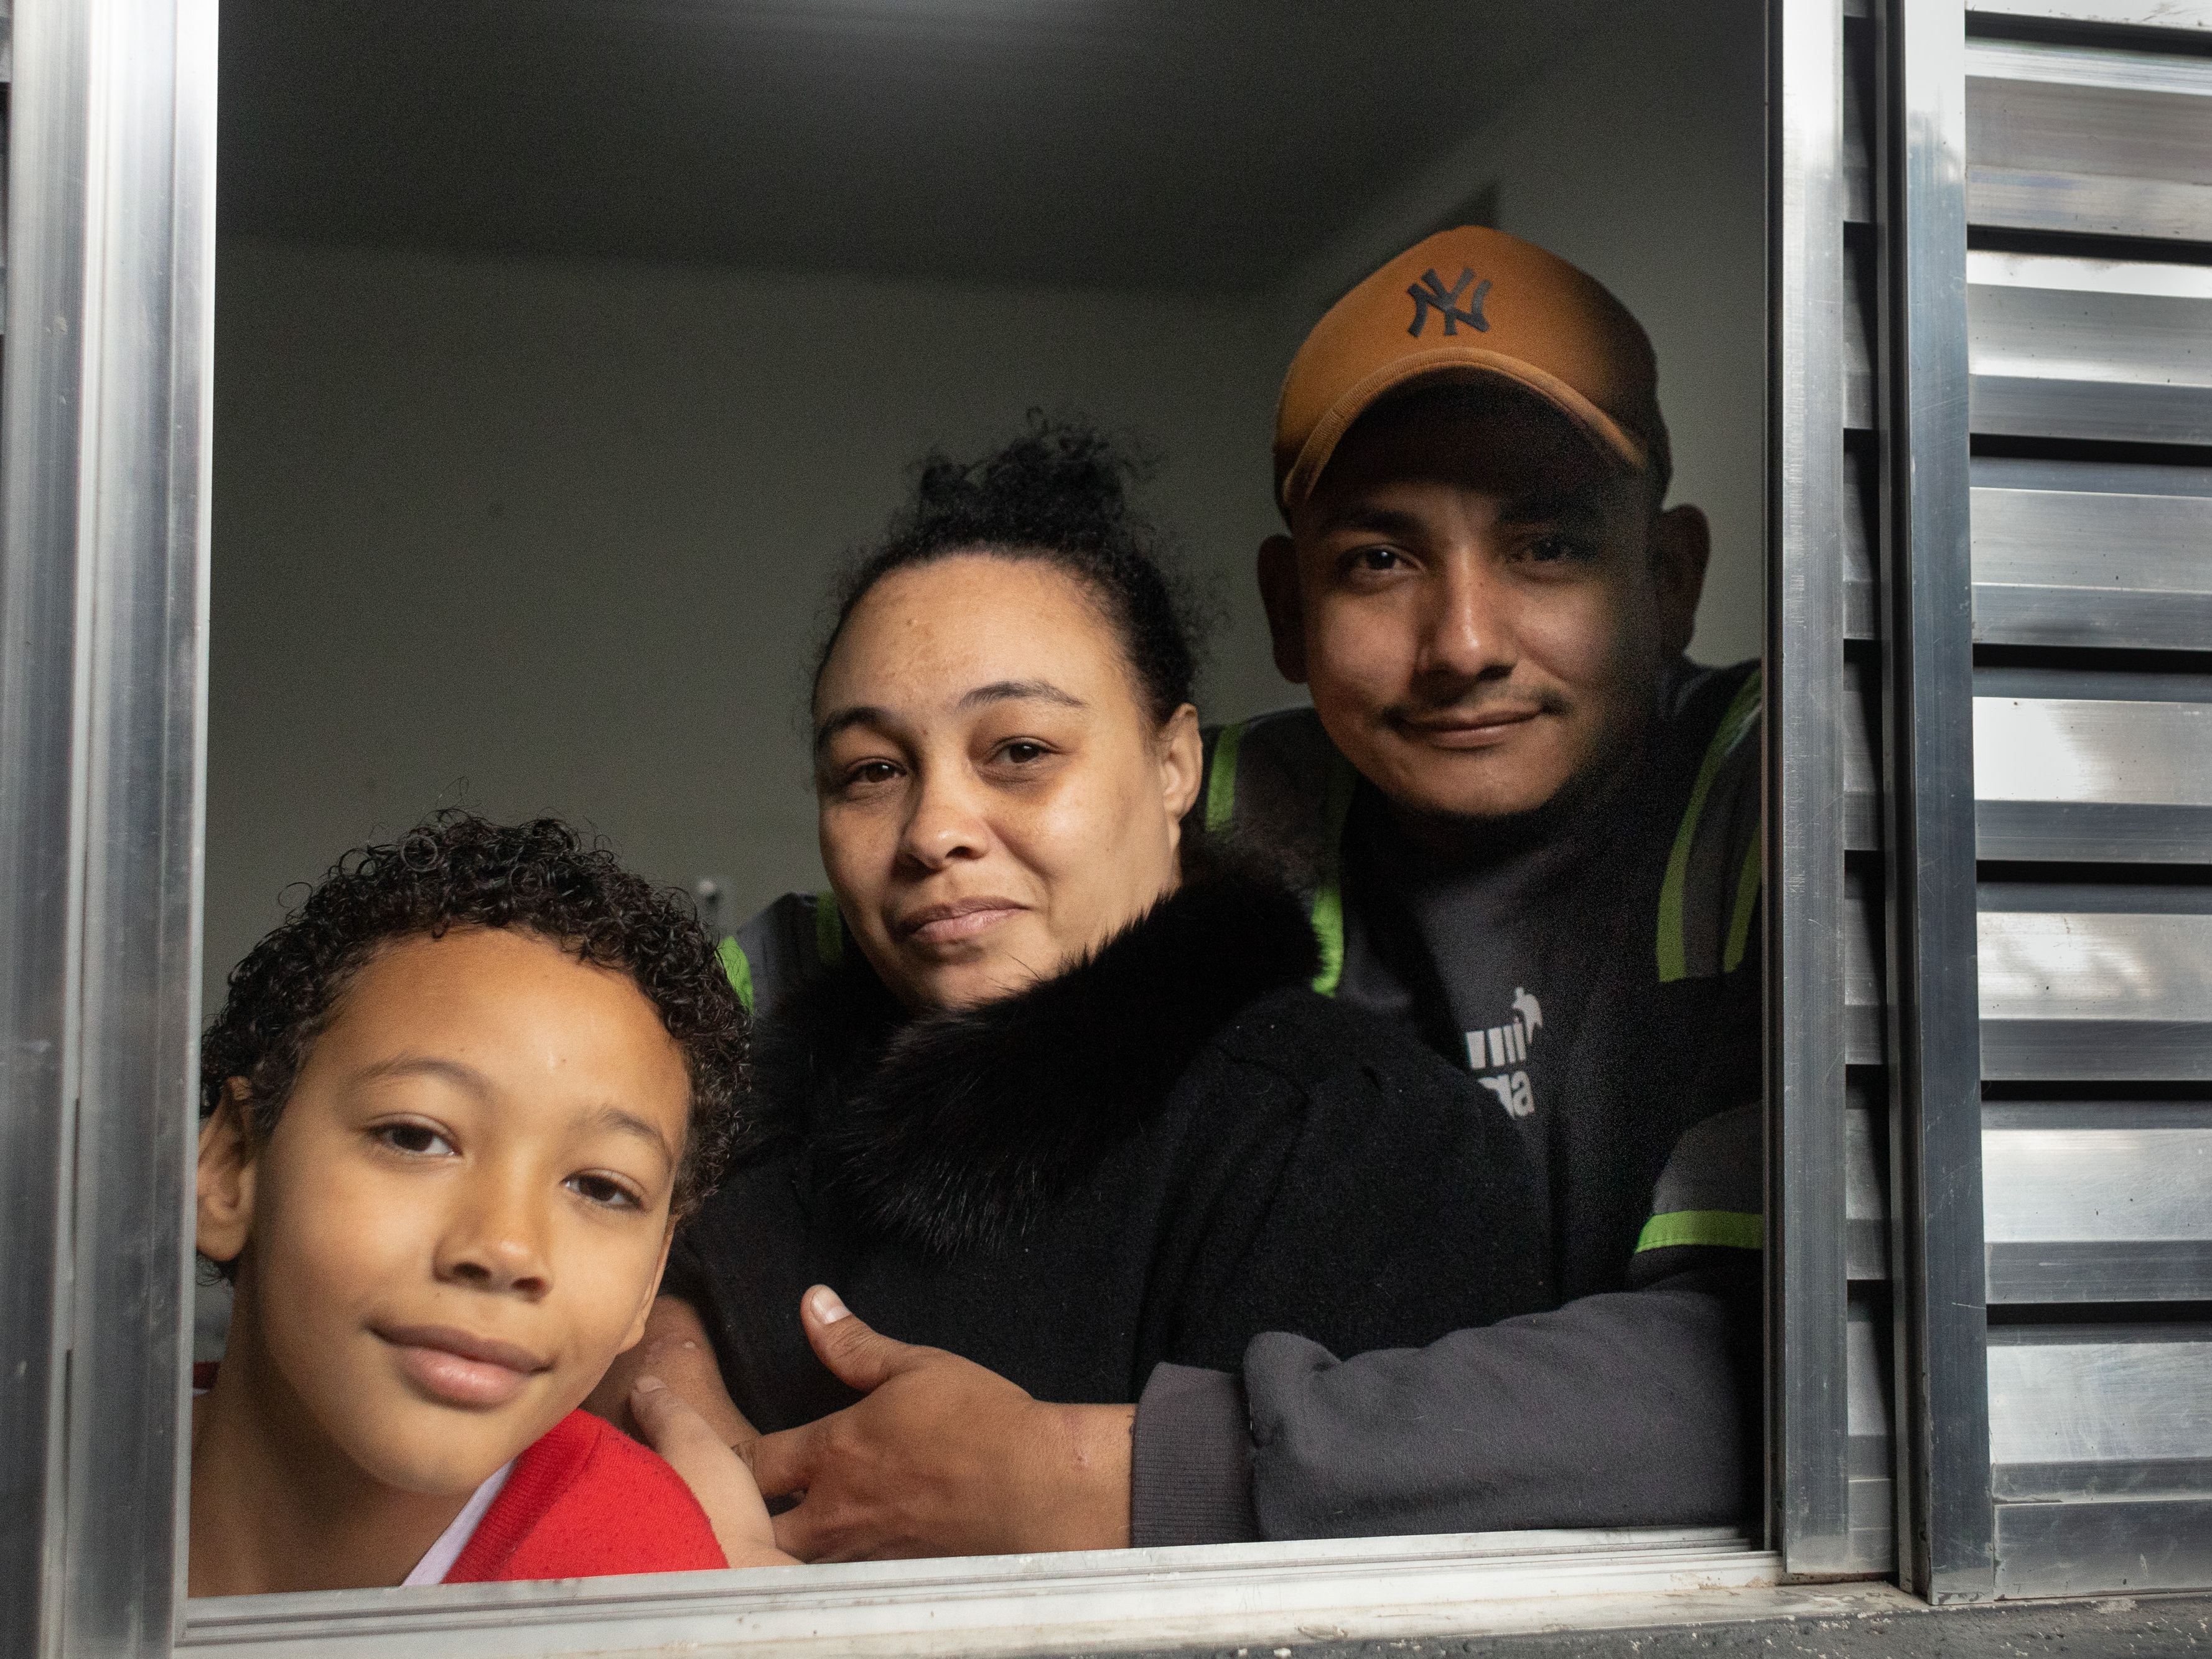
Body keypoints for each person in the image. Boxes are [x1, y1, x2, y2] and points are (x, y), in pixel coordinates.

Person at [650, 226, 1764, 1559]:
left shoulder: (1795, 811)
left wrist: (1097, 1473)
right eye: (1378, 561)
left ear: (1672, 576)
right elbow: (666, 1049)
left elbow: (1797, 1387)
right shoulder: (1211, 795)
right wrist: (663, 1363)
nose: (1462, 643)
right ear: (1286, 614)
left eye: (1546, 548)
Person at [587, 421, 1553, 1540]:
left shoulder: (1361, 1142)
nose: (936, 829)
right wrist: (657, 1366)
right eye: (871, 771)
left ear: (1175, 761)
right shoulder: (741, 1119)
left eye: (1020, 751)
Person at [189, 813, 793, 1594]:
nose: (507, 1247)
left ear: (649, 1282)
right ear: (234, 1163)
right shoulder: (50, 1466)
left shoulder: (633, 1580)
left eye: (603, 1187)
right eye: (414, 1136)